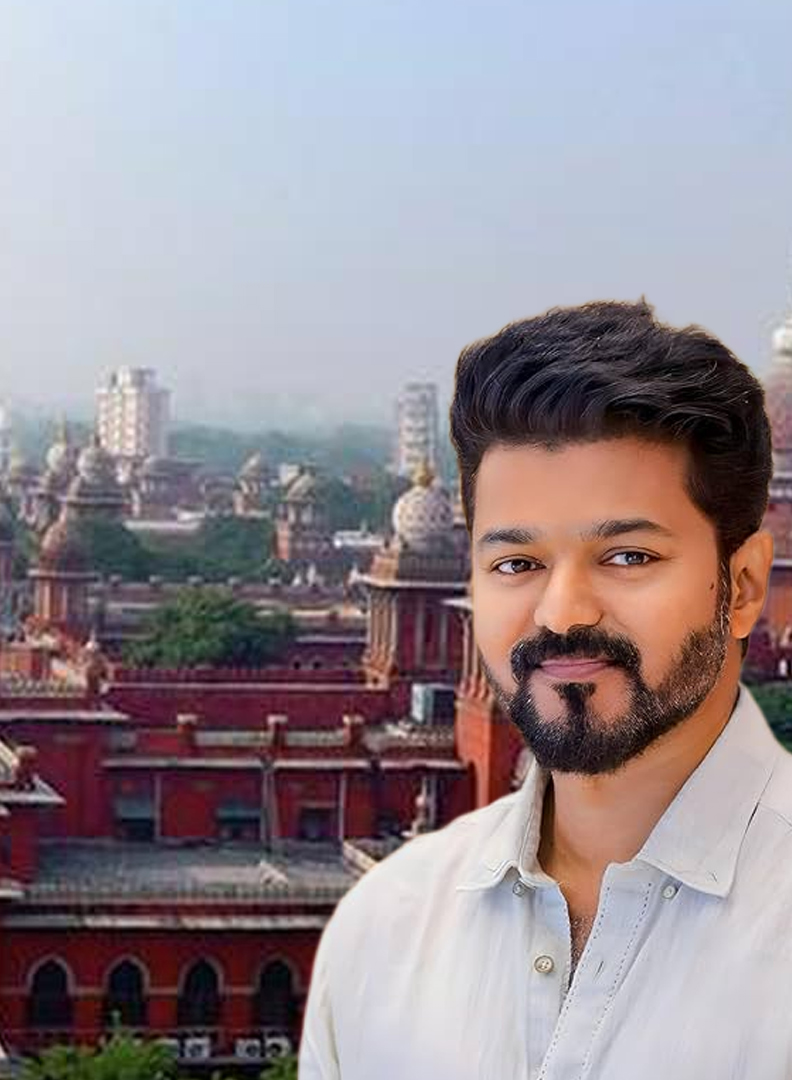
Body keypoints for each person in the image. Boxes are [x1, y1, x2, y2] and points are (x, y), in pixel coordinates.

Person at [299, 300, 792, 1078]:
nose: (562, 613)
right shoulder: (382, 938)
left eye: (628, 557)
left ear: (744, 587)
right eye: (517, 563)